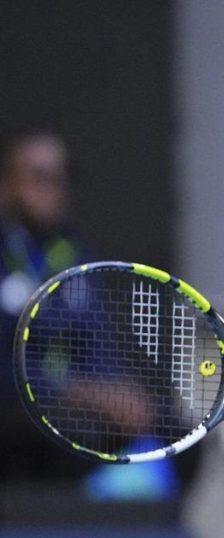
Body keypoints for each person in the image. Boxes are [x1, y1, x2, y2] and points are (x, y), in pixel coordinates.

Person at [0, 130, 92, 479]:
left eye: (61, 178)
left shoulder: (74, 253)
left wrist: (114, 393)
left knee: (174, 427)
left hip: (68, 408)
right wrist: (65, 391)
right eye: (39, 177)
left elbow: (96, 342)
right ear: (5, 185)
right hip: (16, 406)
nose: (54, 190)